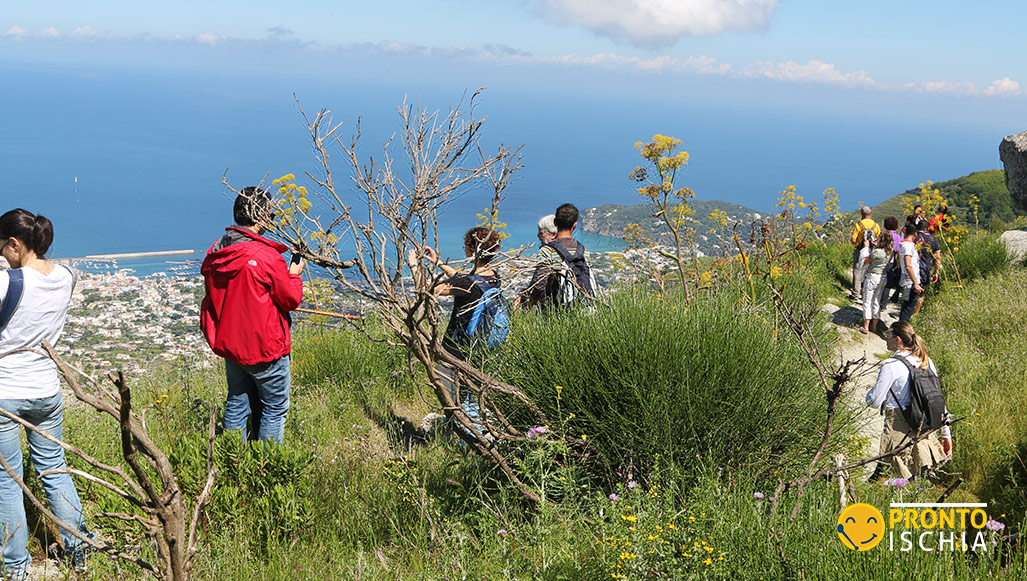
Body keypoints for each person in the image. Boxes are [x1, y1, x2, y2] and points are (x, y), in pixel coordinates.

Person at [0, 209, 93, 579]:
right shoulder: (67, 277)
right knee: (54, 469)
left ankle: (16, 567)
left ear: (14, 243)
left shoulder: (9, 283)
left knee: (8, 481)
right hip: (47, 390)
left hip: (6, 392)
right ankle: (80, 549)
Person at [201, 187, 304, 445]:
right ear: (260, 218)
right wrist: (294, 274)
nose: (272, 219)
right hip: (265, 348)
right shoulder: (265, 257)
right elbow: (290, 299)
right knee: (274, 408)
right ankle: (266, 471)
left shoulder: (218, 250)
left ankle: (232, 465)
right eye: (270, 214)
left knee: (237, 401)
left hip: (232, 345)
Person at [408, 227, 502, 437]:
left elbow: (428, 290)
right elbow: (464, 281)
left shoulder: (467, 284)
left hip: (456, 352)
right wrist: (439, 263)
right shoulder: (494, 277)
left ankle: (461, 439)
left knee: (452, 400)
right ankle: (473, 431)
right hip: (479, 348)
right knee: (471, 397)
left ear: (471, 250)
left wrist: (414, 265)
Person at [866, 321, 952, 480]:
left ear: (897, 339)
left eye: (888, 336)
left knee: (890, 473)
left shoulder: (890, 364)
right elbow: (937, 398)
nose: (886, 339)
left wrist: (869, 394)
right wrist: (946, 433)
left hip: (898, 425)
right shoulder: (925, 361)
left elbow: (875, 401)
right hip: (922, 426)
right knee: (918, 476)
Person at [518, 203, 597, 310]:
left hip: (555, 310)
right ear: (575, 225)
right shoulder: (583, 250)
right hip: (582, 308)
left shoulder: (547, 251)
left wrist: (525, 304)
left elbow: (539, 284)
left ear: (555, 222)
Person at [859, 234, 892, 334]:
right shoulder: (889, 251)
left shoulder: (877, 252)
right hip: (883, 277)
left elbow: (866, 261)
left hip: (873, 276)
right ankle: (874, 326)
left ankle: (866, 326)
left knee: (867, 301)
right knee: (876, 301)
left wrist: (866, 247)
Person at [849, 206, 881, 300]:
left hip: (860, 250)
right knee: (867, 271)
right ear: (870, 214)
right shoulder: (876, 225)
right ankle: (865, 293)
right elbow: (878, 238)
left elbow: (854, 240)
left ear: (862, 214)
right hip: (871, 251)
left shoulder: (859, 225)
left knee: (857, 271)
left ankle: (855, 293)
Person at [912, 220, 942, 317]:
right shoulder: (933, 240)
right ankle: (915, 314)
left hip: (912, 268)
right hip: (925, 269)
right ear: (928, 228)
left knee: (910, 291)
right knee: (921, 293)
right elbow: (938, 257)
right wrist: (936, 272)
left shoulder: (914, 237)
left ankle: (906, 312)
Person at [897, 226, 922, 323]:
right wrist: (915, 283)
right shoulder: (907, 246)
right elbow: (908, 265)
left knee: (907, 307)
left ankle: (900, 330)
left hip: (908, 279)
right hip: (910, 280)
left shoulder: (905, 244)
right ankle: (900, 332)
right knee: (908, 308)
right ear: (915, 233)